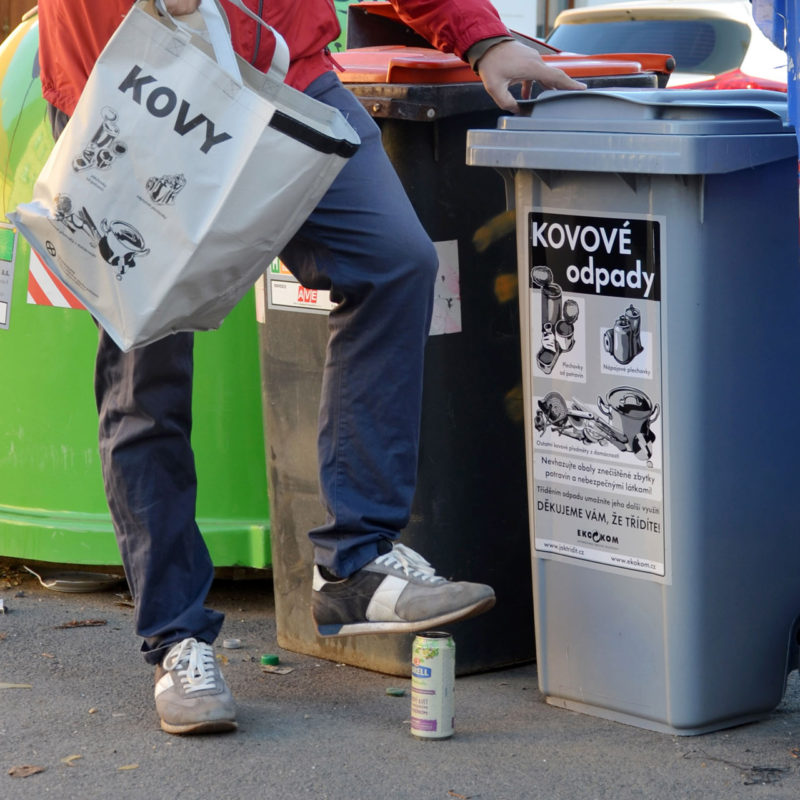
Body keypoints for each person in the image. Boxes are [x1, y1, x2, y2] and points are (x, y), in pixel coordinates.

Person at [36, 0, 585, 736]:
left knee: (396, 263)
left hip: (286, 78)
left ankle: (355, 562)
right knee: (147, 372)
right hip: (136, 82)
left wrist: (481, 37)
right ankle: (178, 640)